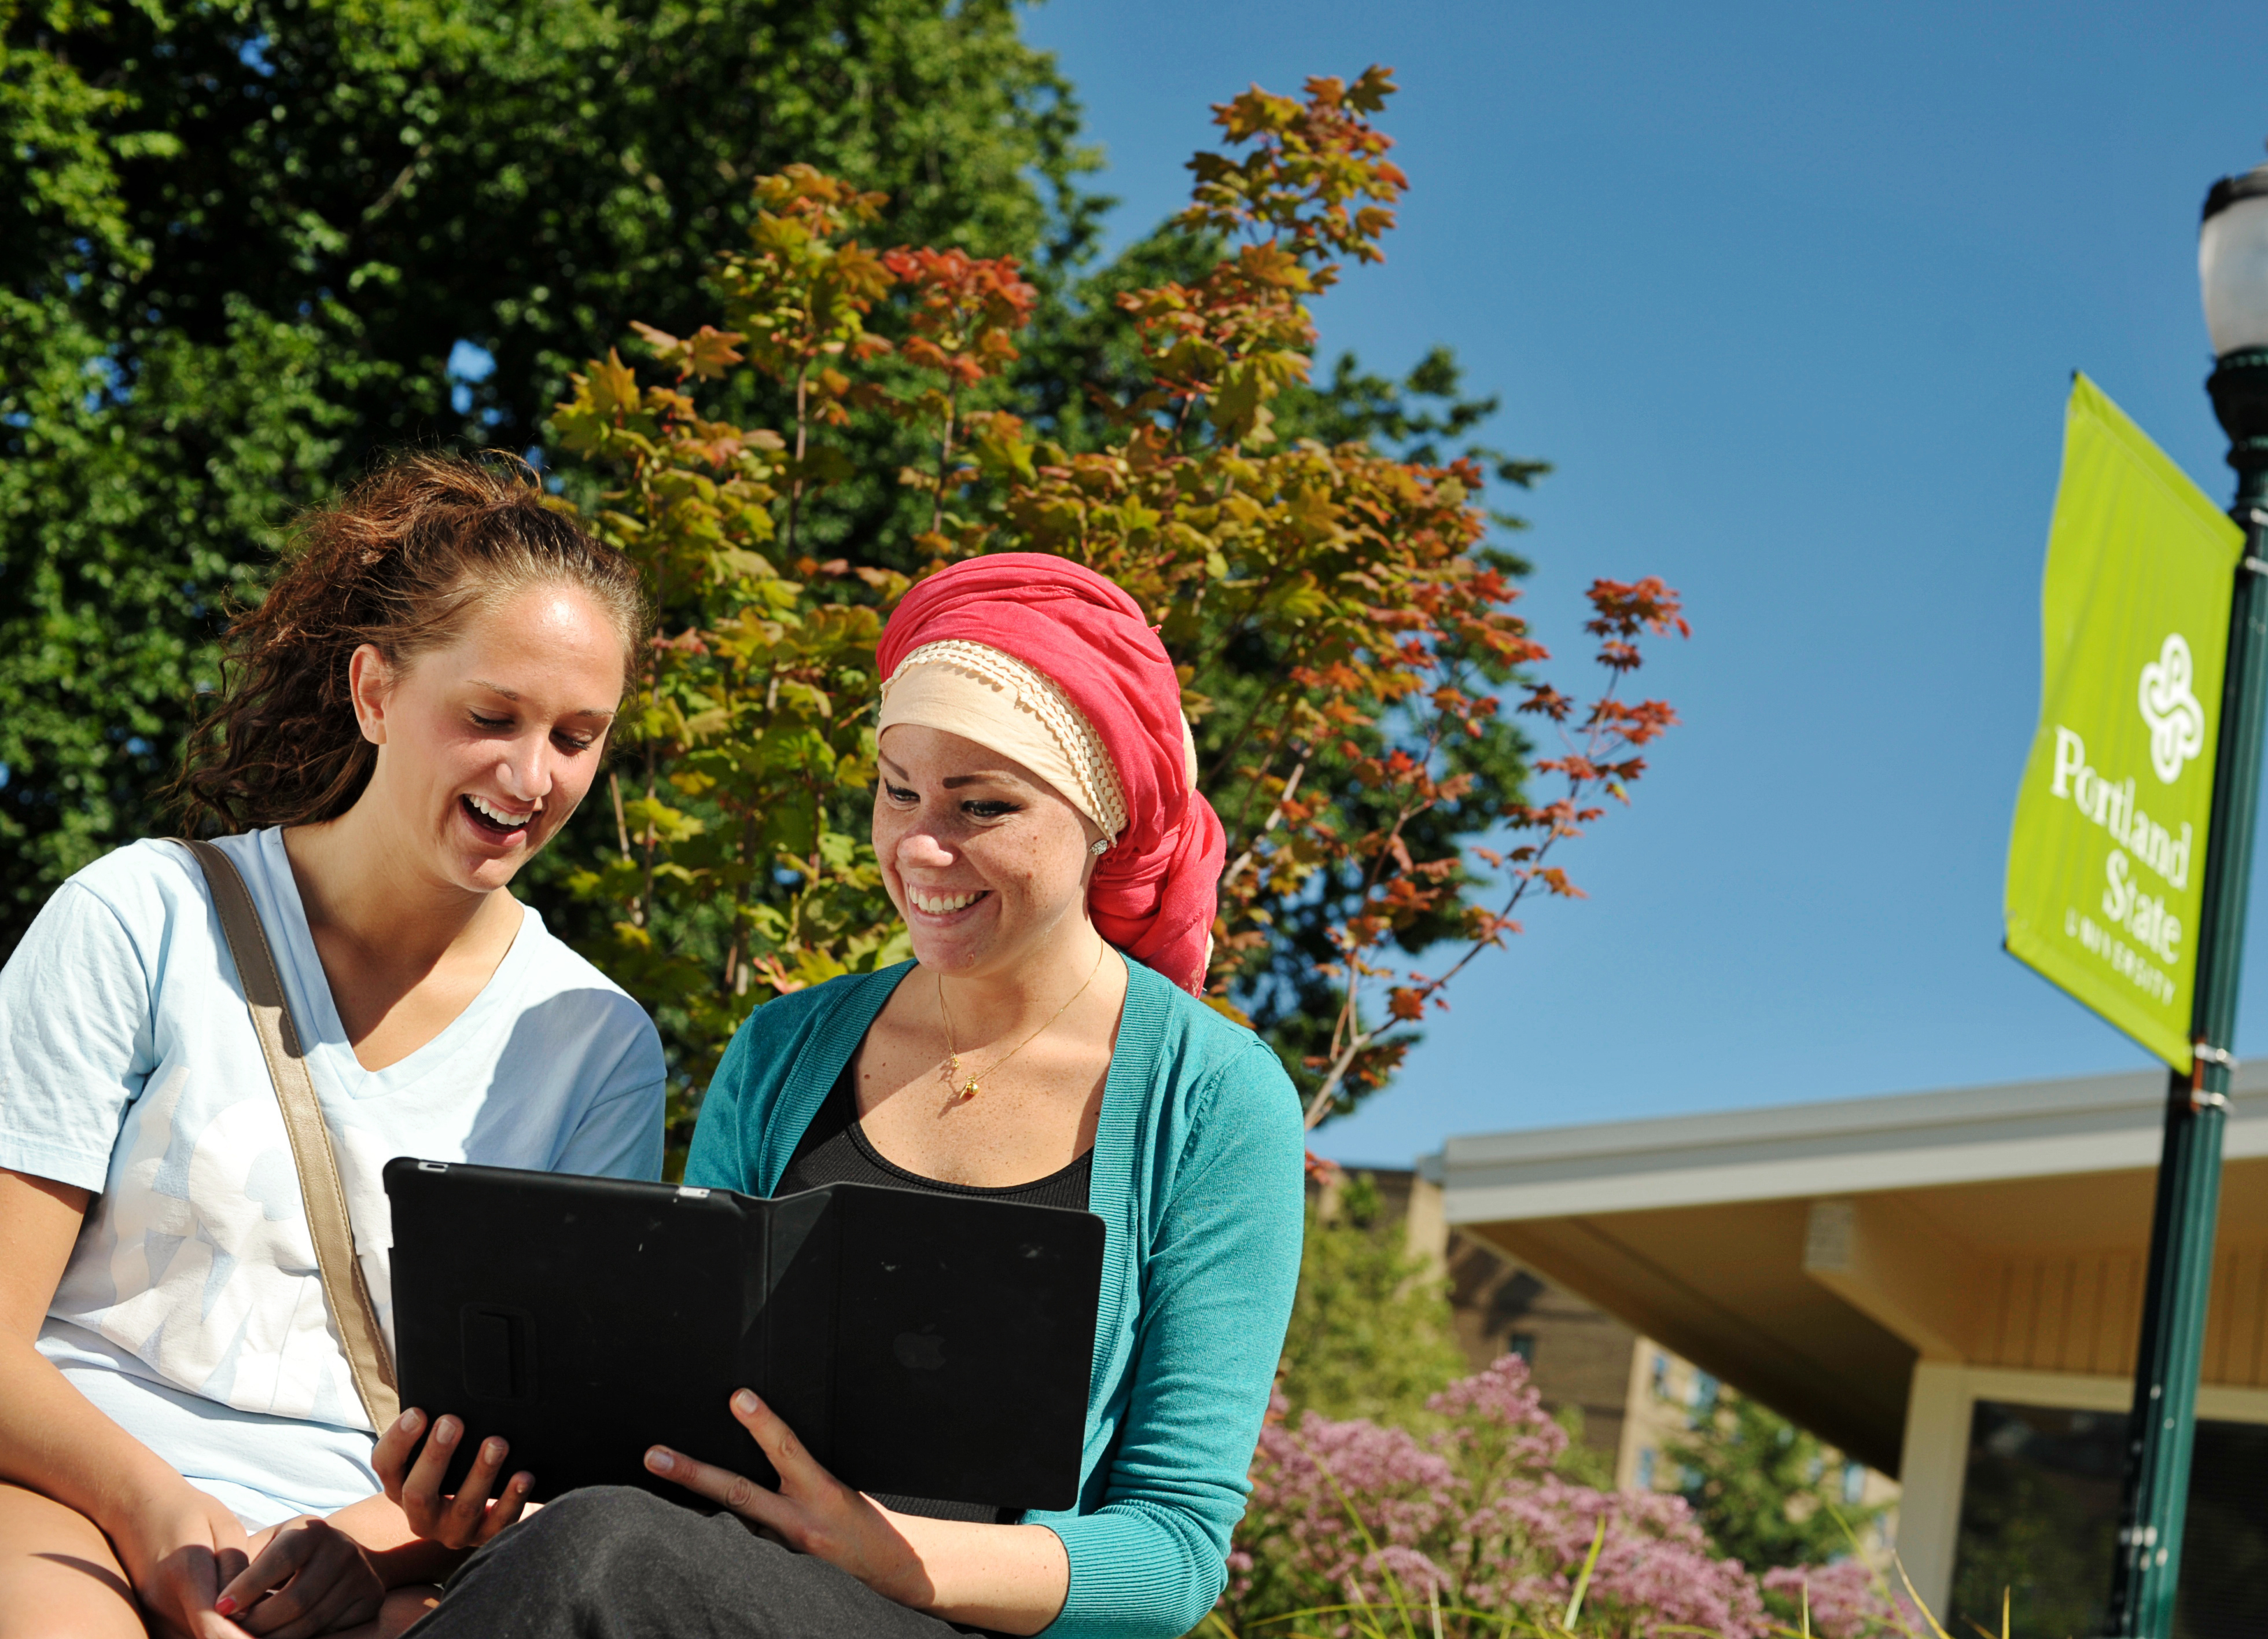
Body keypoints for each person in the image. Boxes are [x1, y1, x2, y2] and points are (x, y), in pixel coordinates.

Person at [379, 552, 1305, 1639]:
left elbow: (1176, 1556)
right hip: (721, 1596)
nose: (921, 846)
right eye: (898, 789)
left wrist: (890, 1557)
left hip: (963, 1622)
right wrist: (485, 1494)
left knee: (601, 1555)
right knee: (579, 1548)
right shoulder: (784, 1052)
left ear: (1105, 818)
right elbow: (676, 1430)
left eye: (983, 806)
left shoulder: (1216, 1099)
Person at [0, 455, 669, 1639]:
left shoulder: (596, 1043)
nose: (531, 777)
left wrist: (353, 1551)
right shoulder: (139, 918)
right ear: (374, 692)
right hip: (76, 1497)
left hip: (366, 1566)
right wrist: (157, 1513)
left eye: (577, 736)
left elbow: (553, 1440)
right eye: (491, 717)